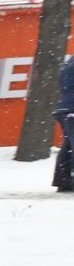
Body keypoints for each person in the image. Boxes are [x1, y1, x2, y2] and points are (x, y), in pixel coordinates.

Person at [55, 52, 74, 193]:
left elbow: (64, 85)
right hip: (71, 108)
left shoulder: (69, 63)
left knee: (68, 144)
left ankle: (64, 180)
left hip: (65, 107)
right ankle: (65, 180)